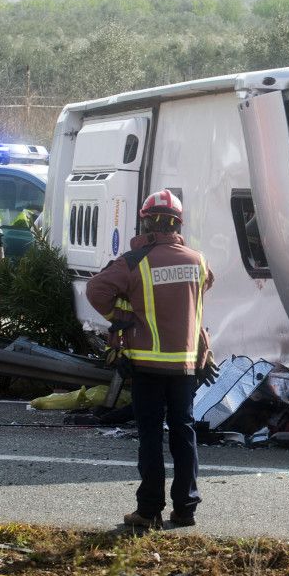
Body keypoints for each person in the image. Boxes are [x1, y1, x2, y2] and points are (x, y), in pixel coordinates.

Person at [85, 189, 214, 530]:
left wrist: (123, 316)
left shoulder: (134, 260)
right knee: (184, 433)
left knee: (151, 436)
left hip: (146, 365)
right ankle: (186, 509)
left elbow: (95, 290)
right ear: (178, 224)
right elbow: (197, 303)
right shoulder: (197, 261)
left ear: (145, 221)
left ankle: (148, 511)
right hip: (185, 365)